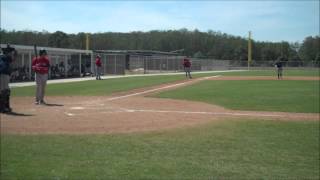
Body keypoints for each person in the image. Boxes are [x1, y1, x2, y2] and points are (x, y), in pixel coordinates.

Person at [0, 44, 17, 113]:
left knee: (6, 91)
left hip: (5, 74)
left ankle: (6, 106)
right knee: (4, 91)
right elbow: (13, 58)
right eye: (9, 52)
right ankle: (2, 108)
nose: (11, 53)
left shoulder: (4, 57)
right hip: (3, 74)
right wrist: (13, 52)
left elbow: (12, 60)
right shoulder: (4, 57)